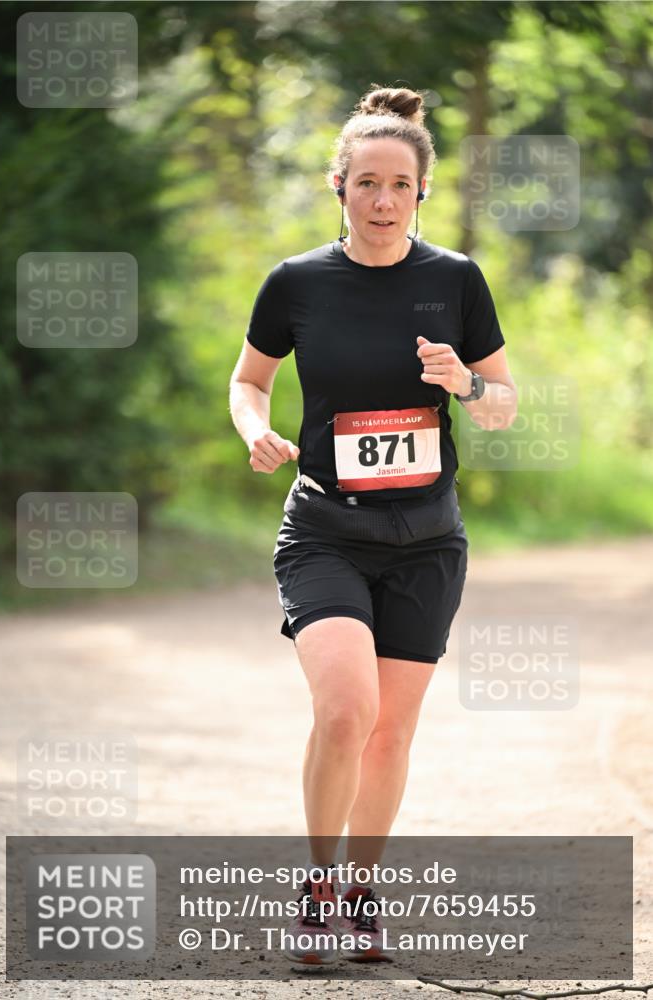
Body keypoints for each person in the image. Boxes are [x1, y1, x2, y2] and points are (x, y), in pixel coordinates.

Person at [229, 84, 517, 968]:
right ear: (340, 187)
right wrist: (256, 429)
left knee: (392, 730)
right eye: (366, 183)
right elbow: (249, 380)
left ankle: (362, 892)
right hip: (325, 527)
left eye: (400, 184)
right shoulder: (296, 282)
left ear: (420, 191)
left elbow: (504, 405)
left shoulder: (456, 280)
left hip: (427, 537)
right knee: (346, 711)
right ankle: (316, 891)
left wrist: (462, 384)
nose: (384, 199)